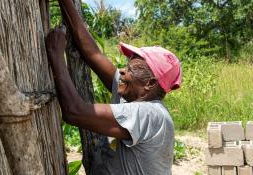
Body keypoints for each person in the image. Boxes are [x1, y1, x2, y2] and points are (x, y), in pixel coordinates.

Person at [46, 0, 182, 174]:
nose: (123, 71)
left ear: (150, 83)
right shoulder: (132, 94)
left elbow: (74, 111)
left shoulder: (150, 114)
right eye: (126, 66)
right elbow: (92, 53)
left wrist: (56, 54)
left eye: (131, 69)